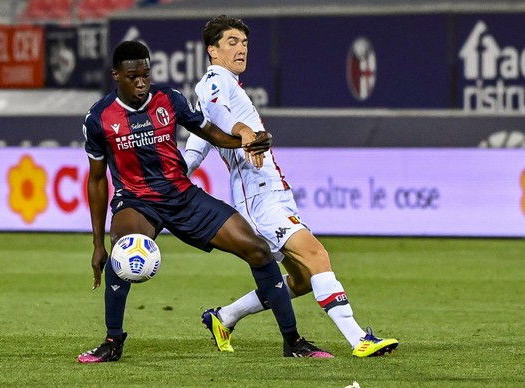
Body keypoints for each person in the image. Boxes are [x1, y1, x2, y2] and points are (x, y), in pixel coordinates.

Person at [77, 40, 333, 363]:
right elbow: (97, 181)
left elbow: (210, 132)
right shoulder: (98, 119)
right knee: (123, 251)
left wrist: (247, 141)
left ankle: (292, 341)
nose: (141, 83)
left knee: (258, 249)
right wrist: (98, 243)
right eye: (132, 77)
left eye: (145, 74)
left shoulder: (169, 100)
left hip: (183, 196)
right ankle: (112, 341)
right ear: (116, 75)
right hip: (137, 201)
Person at [184, 15, 399, 357]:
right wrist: (244, 132)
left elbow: (195, 149)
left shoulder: (226, 89)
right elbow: (215, 109)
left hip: (271, 194)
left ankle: (224, 317)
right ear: (212, 50)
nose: (242, 49)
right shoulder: (214, 80)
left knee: (299, 279)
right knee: (316, 254)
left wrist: (173, 171)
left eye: (245, 43)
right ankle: (359, 339)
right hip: (258, 198)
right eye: (232, 42)